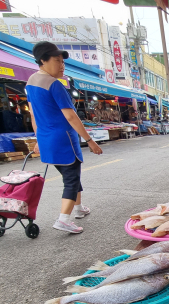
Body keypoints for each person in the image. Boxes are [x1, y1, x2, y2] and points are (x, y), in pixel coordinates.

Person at [26, 41, 103, 234]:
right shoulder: (55, 85)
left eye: (63, 62)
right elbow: (70, 116)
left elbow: (33, 115)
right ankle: (63, 219)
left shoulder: (31, 82)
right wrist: (90, 140)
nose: (62, 65)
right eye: (57, 61)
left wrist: (38, 139)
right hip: (63, 139)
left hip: (46, 139)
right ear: (43, 61)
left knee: (71, 175)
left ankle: (78, 208)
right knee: (71, 178)